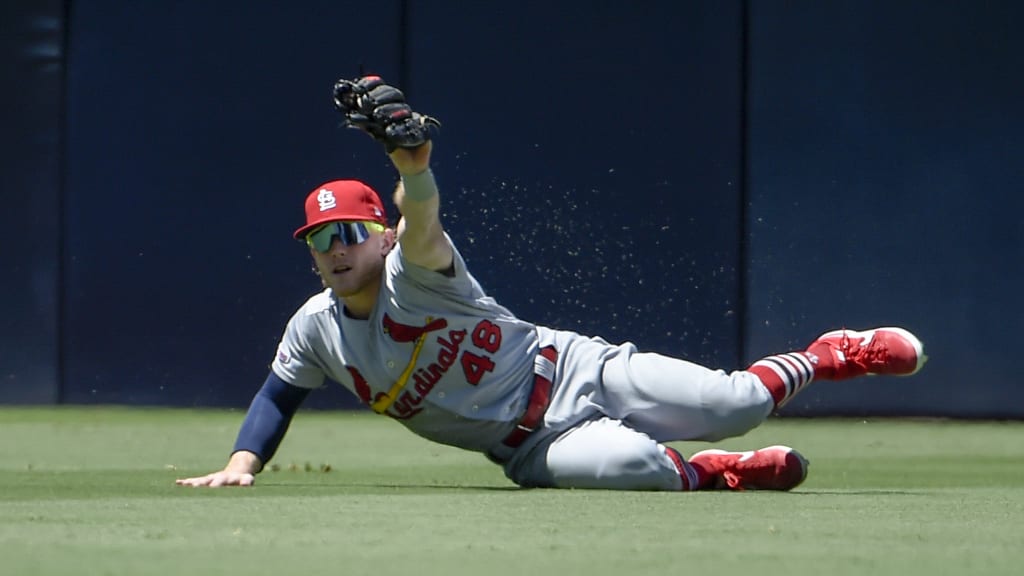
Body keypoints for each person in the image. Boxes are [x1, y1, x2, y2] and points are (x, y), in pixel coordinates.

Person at [176, 85, 926, 492]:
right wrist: (243, 464)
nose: (333, 251)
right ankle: (719, 475)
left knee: (737, 403)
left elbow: (425, 216)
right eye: (317, 241)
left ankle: (833, 354)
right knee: (641, 470)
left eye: (346, 234)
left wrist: (411, 169)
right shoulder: (316, 328)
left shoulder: (415, 268)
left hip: (573, 366)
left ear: (380, 236)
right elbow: (279, 393)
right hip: (531, 447)